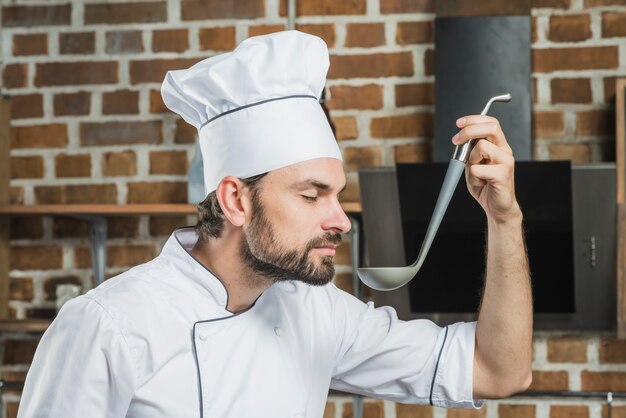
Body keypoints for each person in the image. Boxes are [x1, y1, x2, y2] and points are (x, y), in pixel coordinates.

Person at [18, 31, 532, 417]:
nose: (341, 221)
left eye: (338, 196)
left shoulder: (317, 312)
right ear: (236, 200)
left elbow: (498, 370)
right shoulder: (107, 326)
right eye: (312, 195)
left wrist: (504, 218)